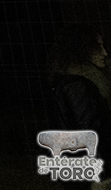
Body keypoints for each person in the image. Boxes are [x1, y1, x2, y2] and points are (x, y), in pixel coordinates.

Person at [46, 25, 111, 187]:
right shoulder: (78, 85)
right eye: (98, 47)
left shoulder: (72, 80)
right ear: (82, 49)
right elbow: (88, 136)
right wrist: (99, 178)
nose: (105, 53)